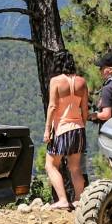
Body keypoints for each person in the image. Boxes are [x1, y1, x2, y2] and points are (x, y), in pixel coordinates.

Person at [42, 52, 90, 210]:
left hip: (62, 129)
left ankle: (62, 199)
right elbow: (85, 109)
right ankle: (78, 200)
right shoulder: (82, 82)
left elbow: (52, 106)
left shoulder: (56, 81)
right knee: (75, 168)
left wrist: (47, 130)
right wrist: (82, 126)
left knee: (50, 165)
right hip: (78, 128)